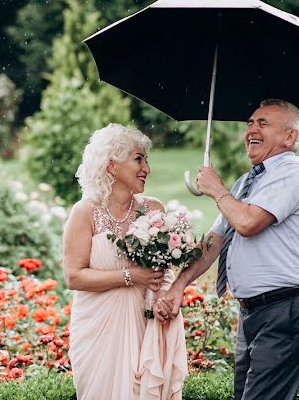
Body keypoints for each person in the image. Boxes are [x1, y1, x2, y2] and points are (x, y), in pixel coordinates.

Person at [155, 99, 299, 400]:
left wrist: (218, 190)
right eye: (250, 123)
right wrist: (179, 285)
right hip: (254, 310)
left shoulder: (290, 170)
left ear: (290, 137)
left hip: (286, 306)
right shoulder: (248, 181)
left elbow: (247, 222)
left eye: (263, 123)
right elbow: (215, 240)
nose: (252, 130)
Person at [64, 123, 187, 400]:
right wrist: (131, 277)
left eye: (147, 159)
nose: (147, 168)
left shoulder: (154, 210)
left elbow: (163, 271)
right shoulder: (84, 212)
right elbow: (74, 277)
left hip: (146, 326)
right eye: (138, 159)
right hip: (98, 331)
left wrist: (165, 297)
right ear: (112, 166)